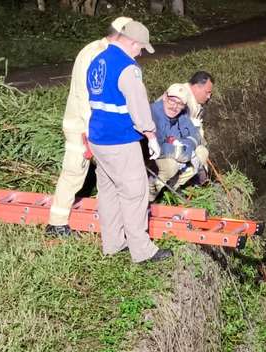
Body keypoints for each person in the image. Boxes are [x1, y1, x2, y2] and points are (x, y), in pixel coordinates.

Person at [86, 20, 171, 262]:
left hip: (98, 138)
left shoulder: (98, 61)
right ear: (132, 43)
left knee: (109, 192)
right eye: (141, 48)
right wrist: (151, 135)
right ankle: (142, 251)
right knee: (135, 192)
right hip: (120, 140)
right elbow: (138, 106)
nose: (140, 53)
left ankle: (113, 243)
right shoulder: (127, 68)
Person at [45, 17, 133, 238]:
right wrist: (91, 131)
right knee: (74, 171)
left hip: (91, 124)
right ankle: (56, 224)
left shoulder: (101, 50)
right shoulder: (97, 55)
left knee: (105, 172)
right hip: (83, 125)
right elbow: (88, 96)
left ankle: (110, 220)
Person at [149, 83, 207, 198]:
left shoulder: (182, 115)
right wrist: (179, 152)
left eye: (180, 104)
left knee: (202, 152)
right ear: (164, 97)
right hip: (151, 158)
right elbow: (156, 146)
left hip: (178, 152)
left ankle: (173, 186)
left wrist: (187, 146)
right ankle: (149, 194)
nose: (175, 106)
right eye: (172, 101)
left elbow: (195, 136)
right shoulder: (152, 112)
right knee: (170, 166)